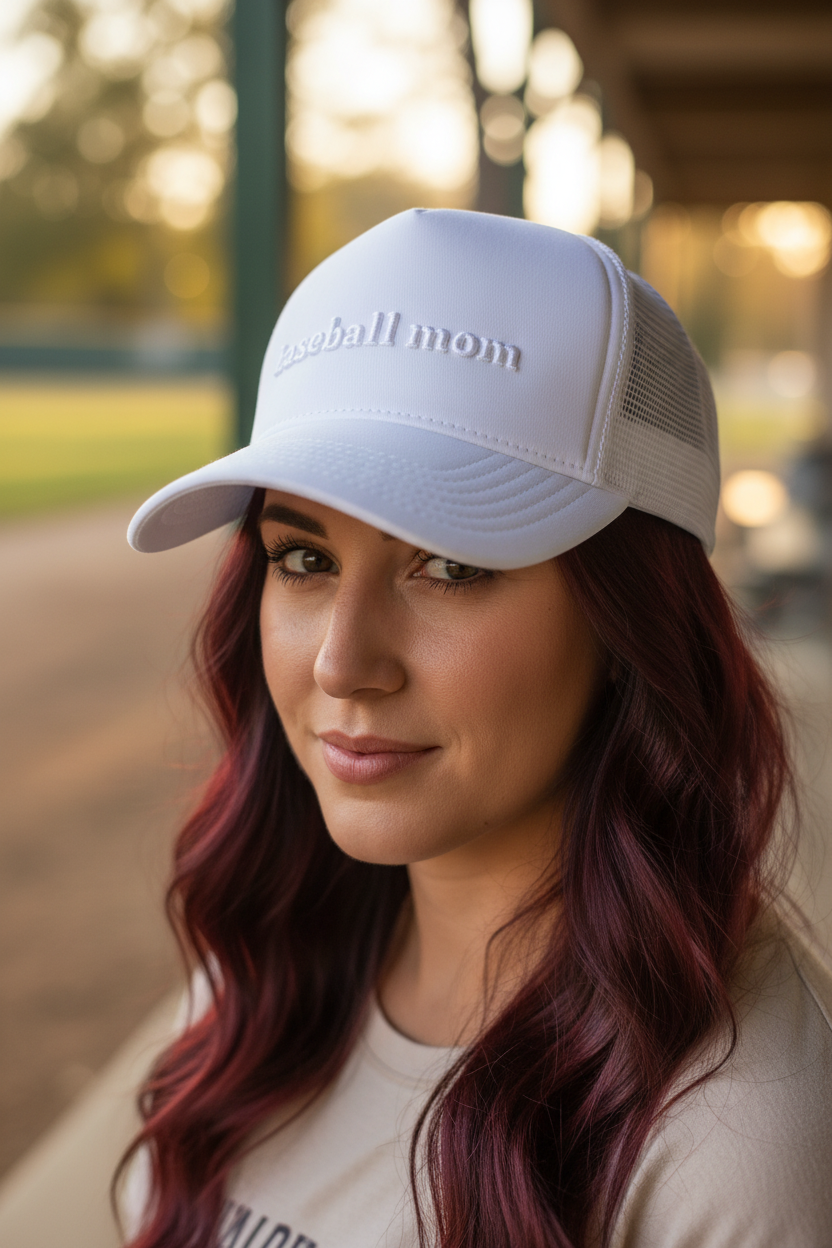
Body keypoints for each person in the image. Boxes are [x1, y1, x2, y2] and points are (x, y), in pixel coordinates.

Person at [119, 209, 832, 1248]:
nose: (341, 664)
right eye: (303, 558)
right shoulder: (260, 967)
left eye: (449, 565)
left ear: (630, 616)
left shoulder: (739, 1141)